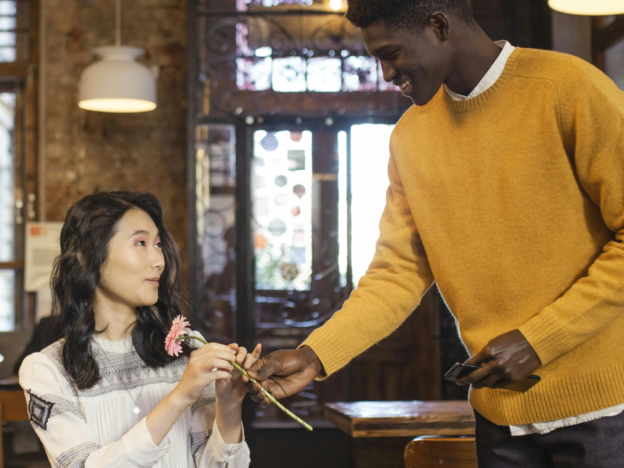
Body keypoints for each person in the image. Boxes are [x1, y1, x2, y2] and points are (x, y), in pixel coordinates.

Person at [246, 1, 624, 466]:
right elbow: (397, 273)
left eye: (391, 53)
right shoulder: (409, 138)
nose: (386, 74)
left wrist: (538, 339)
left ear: (439, 26)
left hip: (607, 413)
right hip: (499, 420)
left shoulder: (567, 87)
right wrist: (314, 355)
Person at [19, 192, 258, 468]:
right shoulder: (48, 370)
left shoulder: (188, 348)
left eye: (158, 244)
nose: (158, 260)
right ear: (87, 256)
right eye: (141, 243)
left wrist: (229, 404)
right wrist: (180, 396)